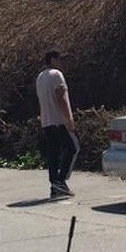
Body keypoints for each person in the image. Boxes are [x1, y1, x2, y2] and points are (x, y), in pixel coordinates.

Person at [36, 50, 79, 199]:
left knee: (53, 153)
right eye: (59, 59)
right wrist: (69, 120)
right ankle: (61, 180)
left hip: (47, 121)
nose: (61, 63)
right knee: (73, 148)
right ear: (52, 60)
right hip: (59, 120)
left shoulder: (40, 77)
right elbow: (61, 98)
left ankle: (54, 186)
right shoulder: (56, 75)